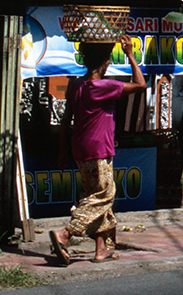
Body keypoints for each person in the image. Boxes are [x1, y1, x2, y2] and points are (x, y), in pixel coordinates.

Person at [49, 40, 145, 265]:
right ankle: (65, 234)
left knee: (93, 194)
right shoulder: (103, 86)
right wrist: (130, 55)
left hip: (79, 147)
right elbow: (140, 85)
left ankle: (102, 248)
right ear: (104, 63)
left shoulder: (76, 85)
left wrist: (63, 151)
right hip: (98, 148)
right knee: (104, 195)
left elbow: (65, 121)